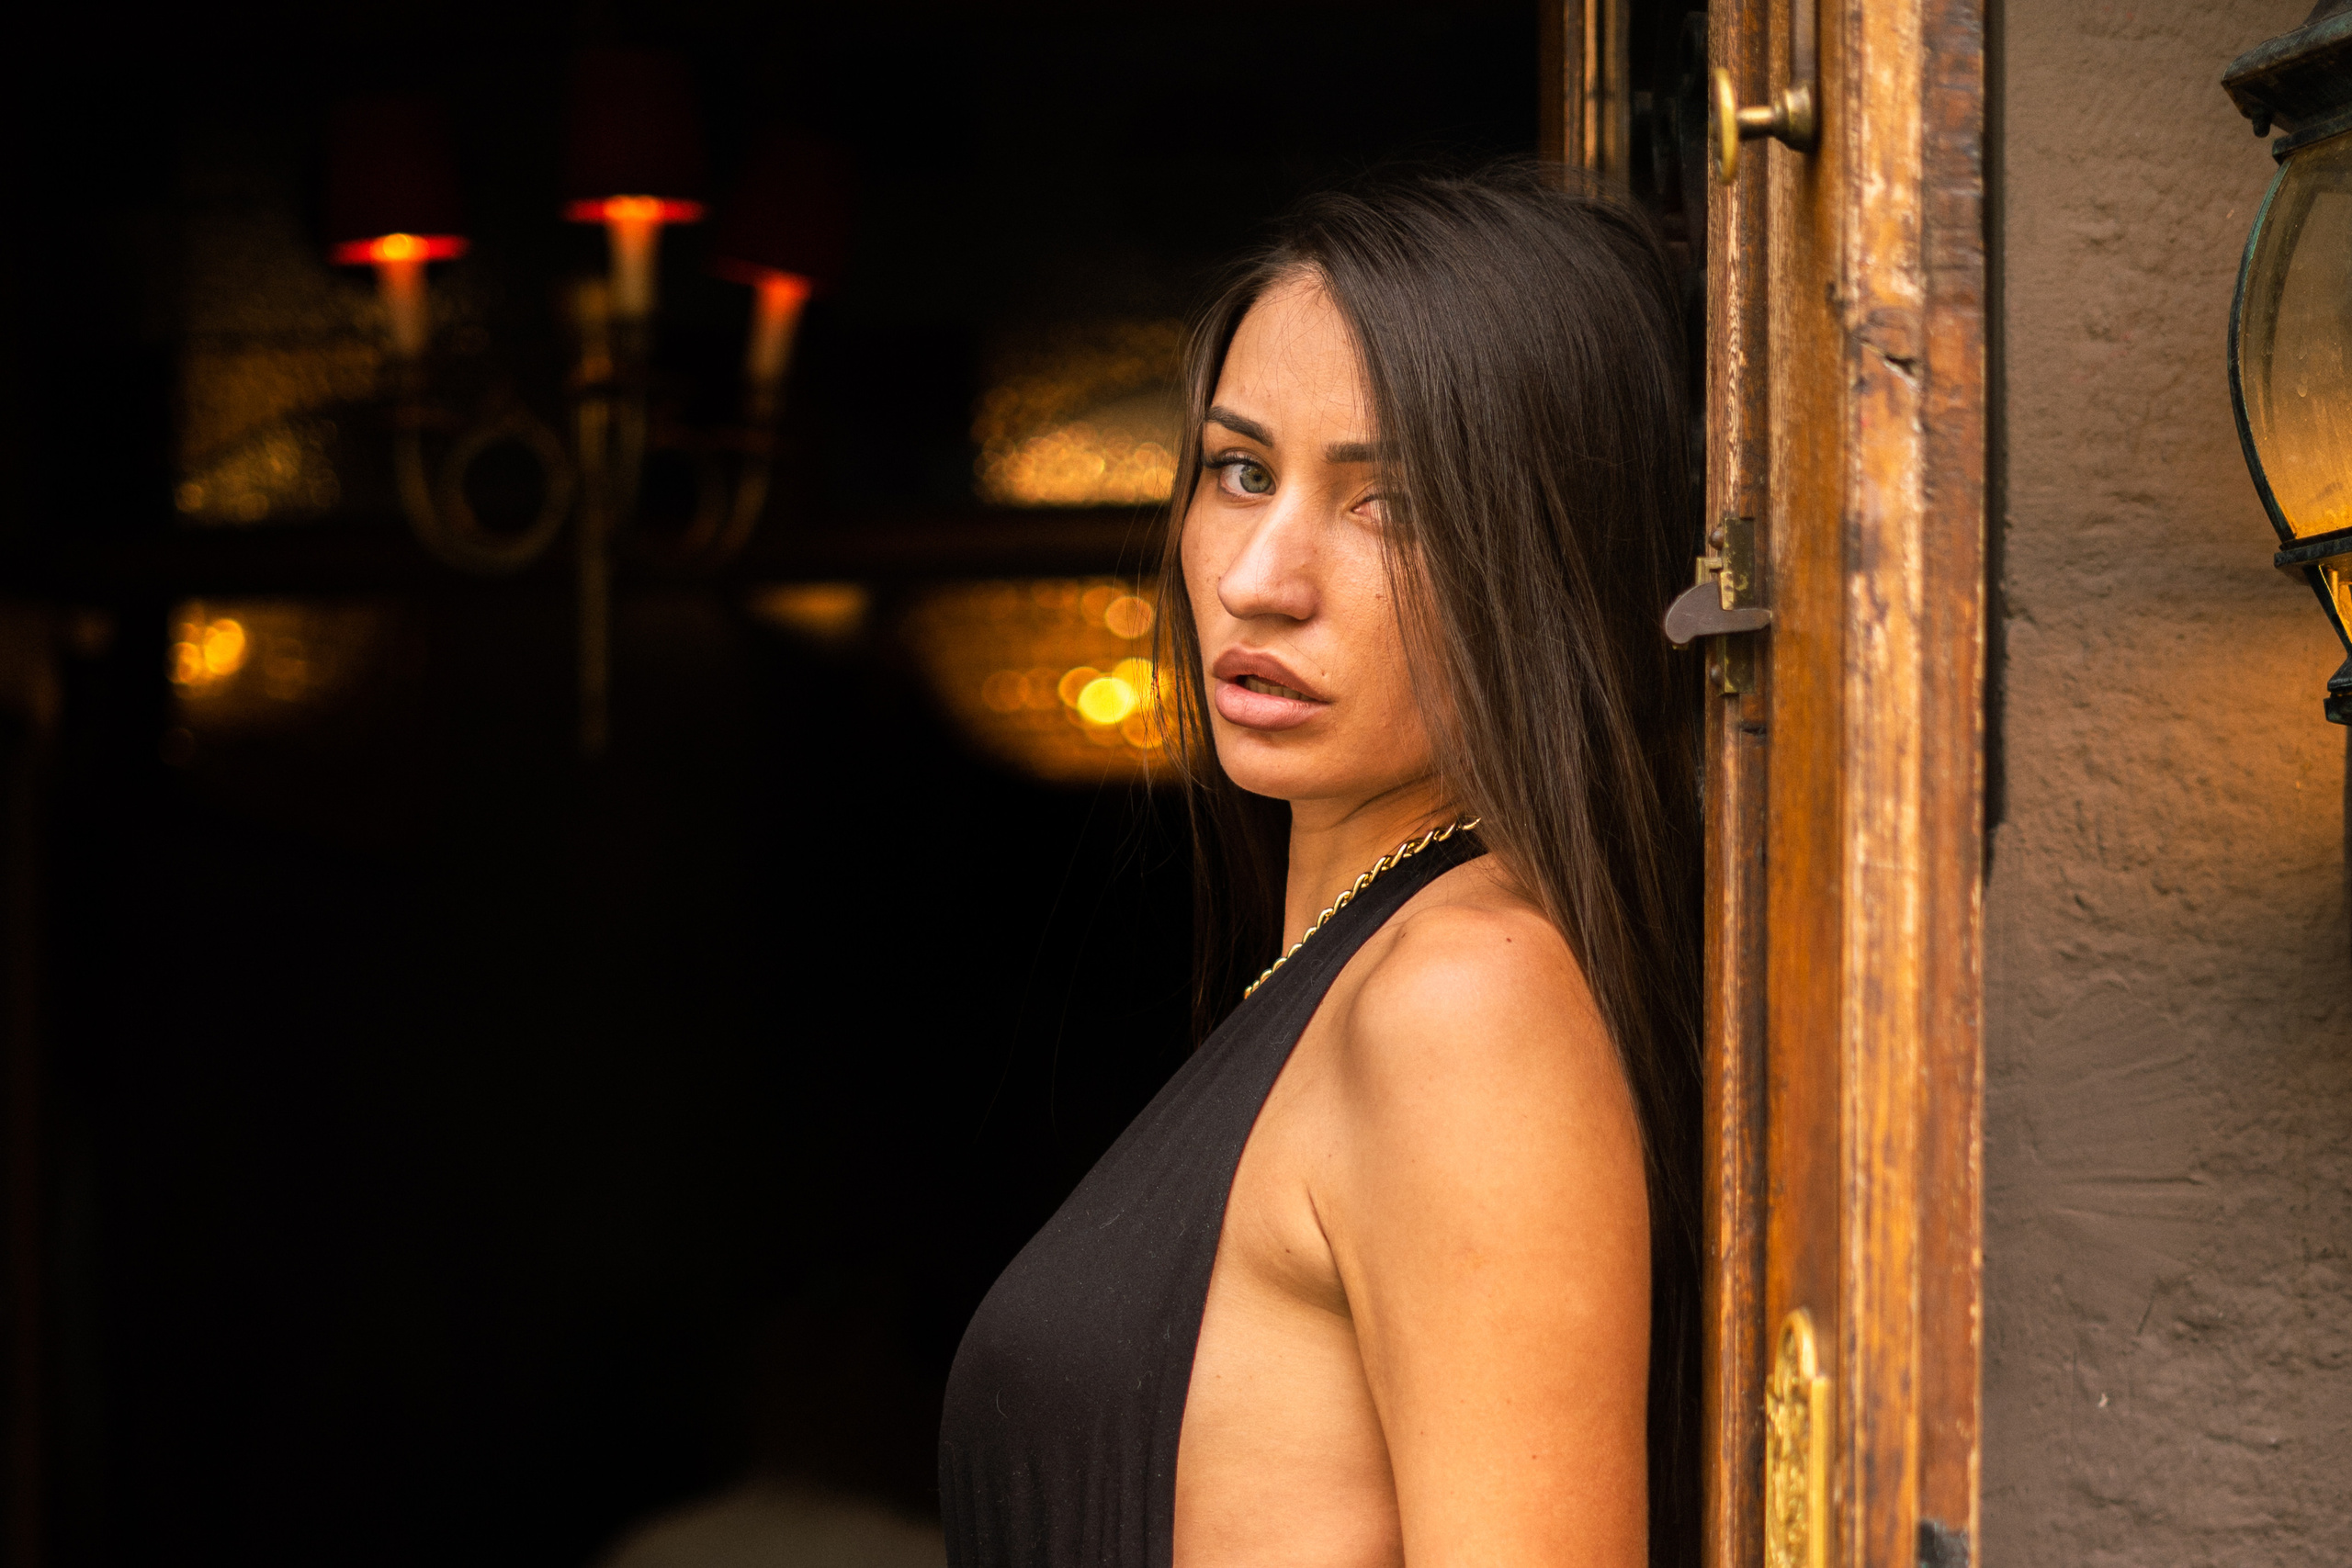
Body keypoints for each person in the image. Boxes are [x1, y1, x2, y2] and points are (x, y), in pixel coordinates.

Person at [939, 165, 1702, 1568]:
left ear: (1557, 552)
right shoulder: (1357, 973)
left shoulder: (1466, 1003)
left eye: (1388, 503)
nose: (1259, 577)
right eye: (1241, 473)